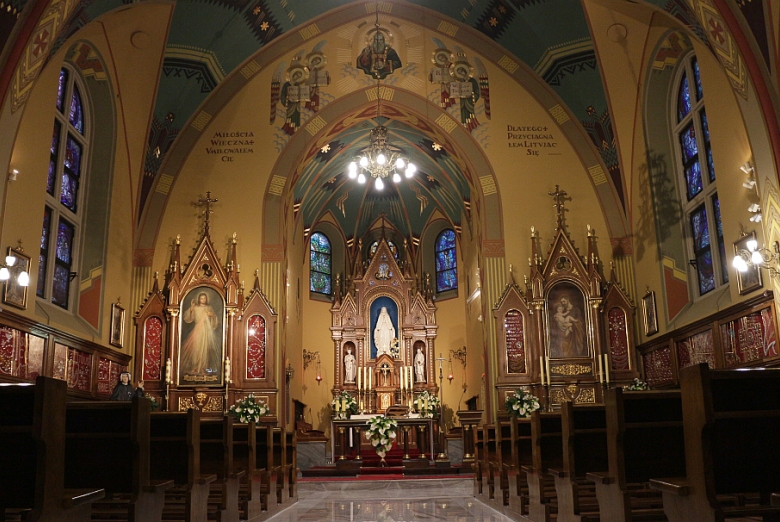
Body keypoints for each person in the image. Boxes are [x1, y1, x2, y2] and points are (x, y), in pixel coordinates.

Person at [180, 292, 221, 377]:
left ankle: (203, 367)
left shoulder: (209, 307)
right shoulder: (195, 307)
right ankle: (195, 367)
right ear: (199, 299)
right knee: (196, 348)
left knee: (205, 349)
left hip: (206, 330)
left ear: (207, 299)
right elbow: (188, 318)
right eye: (201, 298)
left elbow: (215, 318)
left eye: (204, 298)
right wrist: (191, 308)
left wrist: (212, 315)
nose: (203, 300)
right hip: (197, 329)